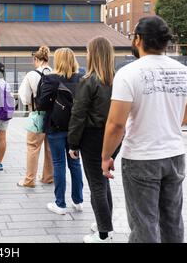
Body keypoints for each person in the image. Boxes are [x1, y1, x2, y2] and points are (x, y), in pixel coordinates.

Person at [101, 16, 187, 243]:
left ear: (137, 39)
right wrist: (167, 123)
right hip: (174, 155)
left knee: (144, 223)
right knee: (172, 220)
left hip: (141, 157)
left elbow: (116, 124)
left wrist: (106, 156)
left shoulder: (128, 73)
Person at [68, 37, 117, 243]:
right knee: (103, 182)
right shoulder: (116, 79)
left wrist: (73, 142)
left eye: (88, 51)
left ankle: (103, 234)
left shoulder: (88, 80)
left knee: (96, 184)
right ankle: (104, 224)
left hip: (92, 136)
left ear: (93, 54)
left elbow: (78, 114)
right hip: (112, 135)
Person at [39, 48, 84, 215]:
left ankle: (60, 204)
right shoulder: (81, 78)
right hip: (76, 129)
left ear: (57, 61)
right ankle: (78, 201)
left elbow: (42, 104)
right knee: (75, 163)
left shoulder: (51, 79)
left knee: (59, 164)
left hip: (55, 127)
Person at [17, 46, 54, 188]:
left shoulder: (31, 75)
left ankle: (29, 180)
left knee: (33, 147)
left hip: (37, 114)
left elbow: (24, 97)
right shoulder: (54, 72)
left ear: (36, 59)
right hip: (52, 116)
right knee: (50, 148)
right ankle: (48, 177)